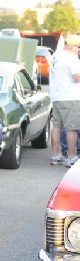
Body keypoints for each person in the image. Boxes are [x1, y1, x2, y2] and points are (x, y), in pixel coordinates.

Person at [48, 34, 80, 167]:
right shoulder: (72, 58)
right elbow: (77, 77)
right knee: (72, 129)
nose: (79, 50)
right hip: (70, 98)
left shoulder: (56, 56)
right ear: (73, 46)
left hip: (57, 97)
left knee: (56, 126)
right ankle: (71, 157)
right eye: (79, 47)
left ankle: (56, 156)